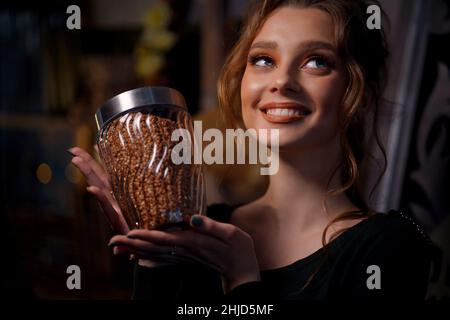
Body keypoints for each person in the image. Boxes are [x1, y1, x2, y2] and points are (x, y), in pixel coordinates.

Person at [69, 0, 433, 302]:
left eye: (316, 62)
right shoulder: (204, 230)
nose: (281, 81)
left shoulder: (388, 249)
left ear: (360, 94)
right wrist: (155, 260)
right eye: (263, 60)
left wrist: (243, 280)